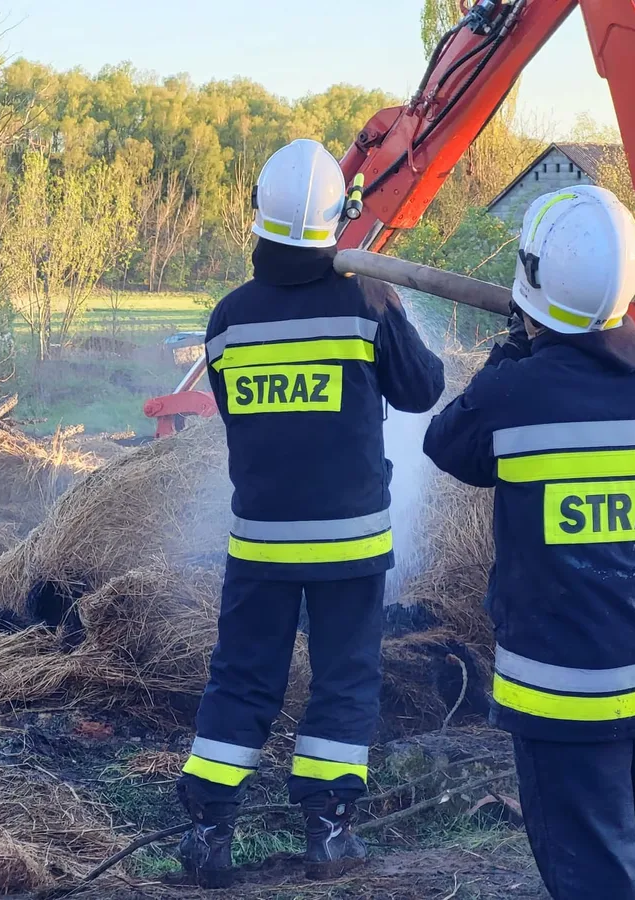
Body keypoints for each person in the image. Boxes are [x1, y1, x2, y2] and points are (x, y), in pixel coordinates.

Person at [176, 138, 445, 888]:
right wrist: (389, 308)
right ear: (340, 220)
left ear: (255, 217)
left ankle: (206, 836)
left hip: (261, 540)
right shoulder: (365, 301)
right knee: (344, 680)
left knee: (240, 680)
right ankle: (327, 836)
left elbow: (239, 417)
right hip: (350, 545)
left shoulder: (227, 321)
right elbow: (423, 391)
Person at [423, 185, 635, 900]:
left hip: (569, 689)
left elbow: (448, 444)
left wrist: (510, 351)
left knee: (592, 868)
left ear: (533, 279)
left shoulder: (520, 393)